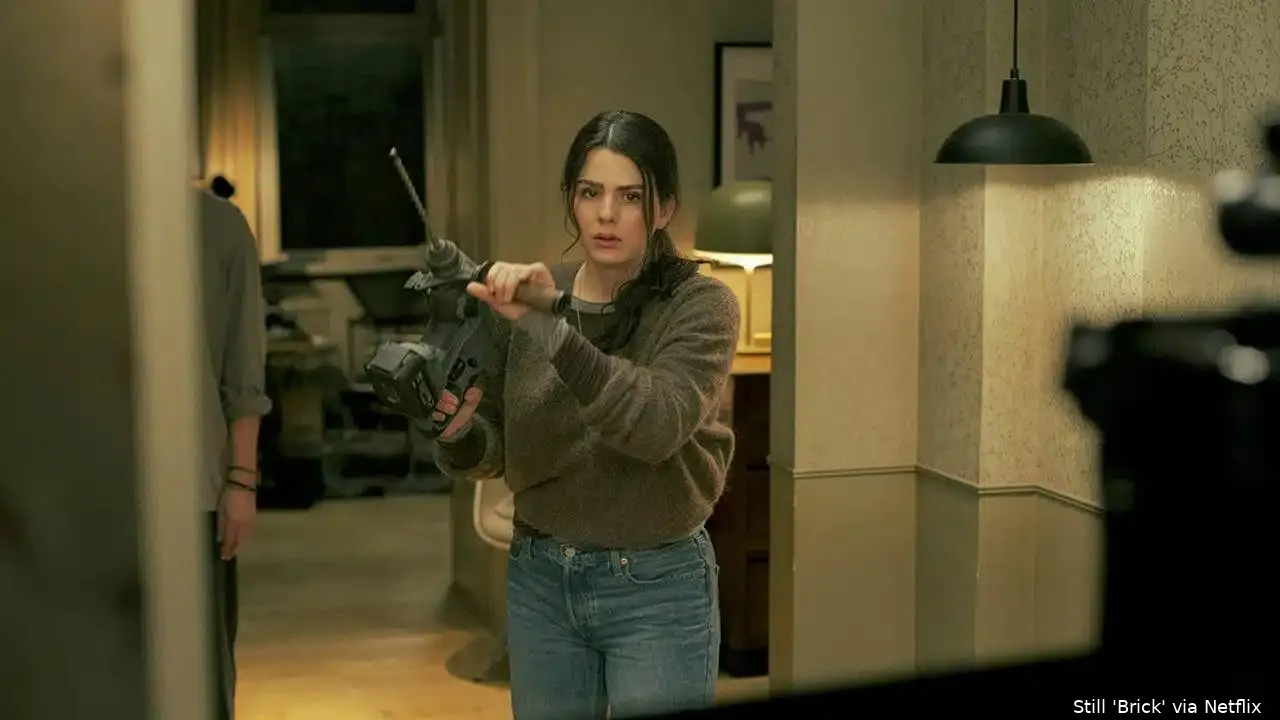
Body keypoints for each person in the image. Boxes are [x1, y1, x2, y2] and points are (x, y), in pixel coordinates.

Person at [433, 110, 741, 719]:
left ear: (664, 209)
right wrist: (456, 431)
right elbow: (498, 447)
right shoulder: (531, 301)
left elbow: (653, 424)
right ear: (570, 201)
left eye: (630, 197)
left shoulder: (701, 306)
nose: (606, 214)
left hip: (656, 585)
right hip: (541, 579)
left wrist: (552, 329)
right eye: (590, 192)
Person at [196, 185, 272, 720]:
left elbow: (243, 370)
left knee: (202, 674)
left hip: (191, 487)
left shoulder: (218, 226)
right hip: (76, 492)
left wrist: (241, 480)